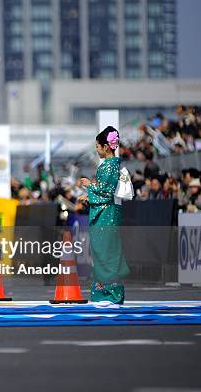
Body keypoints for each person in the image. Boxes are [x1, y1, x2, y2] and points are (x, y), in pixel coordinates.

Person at [78, 126, 130, 306]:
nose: (96, 149)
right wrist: (89, 194)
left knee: (106, 251)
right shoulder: (110, 165)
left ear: (106, 147)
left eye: (98, 146)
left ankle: (111, 293)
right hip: (106, 211)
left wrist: (88, 186)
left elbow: (106, 192)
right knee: (103, 250)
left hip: (106, 213)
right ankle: (105, 291)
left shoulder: (110, 166)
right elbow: (105, 191)